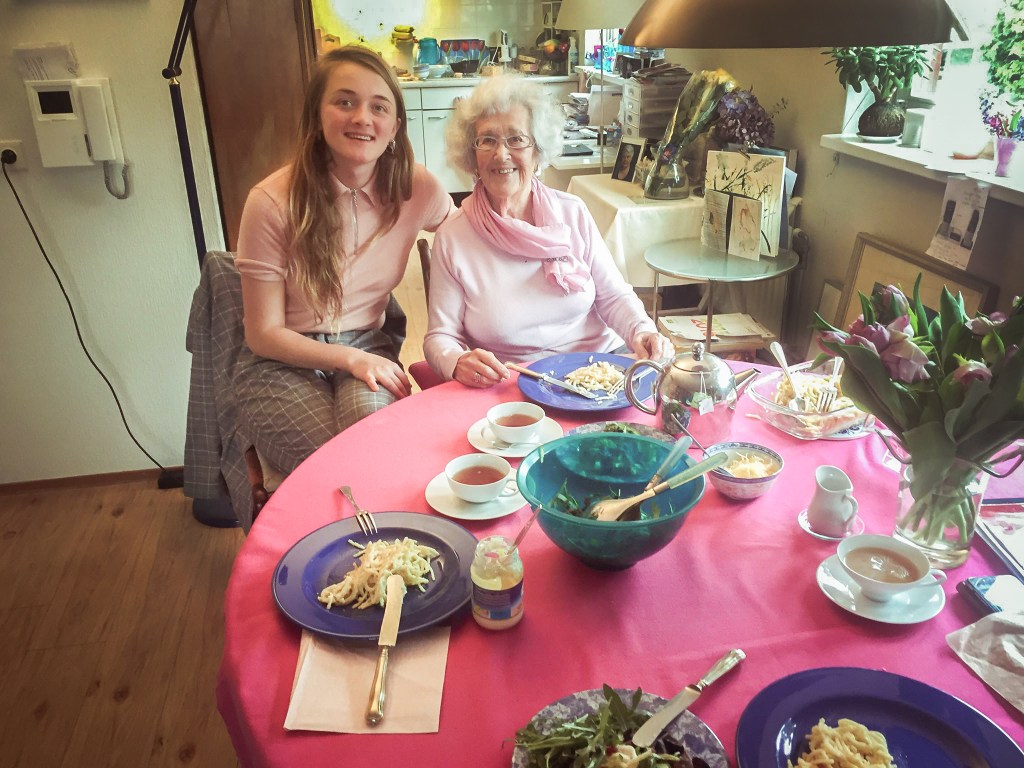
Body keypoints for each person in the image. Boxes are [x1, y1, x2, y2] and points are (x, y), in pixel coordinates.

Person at [233, 45, 455, 473]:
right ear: (317, 116)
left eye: (379, 106)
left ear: (395, 126)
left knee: (378, 451)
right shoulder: (271, 201)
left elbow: (470, 239)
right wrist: (348, 359)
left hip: (367, 343)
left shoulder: (417, 187)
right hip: (281, 361)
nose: (362, 118)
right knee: (337, 467)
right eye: (345, 102)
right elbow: (263, 334)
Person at [423, 75, 673, 388]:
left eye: (516, 139)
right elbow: (440, 336)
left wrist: (641, 330)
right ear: (472, 156)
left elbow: (613, 296)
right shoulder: (454, 236)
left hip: (599, 369)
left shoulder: (572, 212)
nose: (501, 154)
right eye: (487, 140)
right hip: (514, 381)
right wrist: (457, 361)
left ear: (538, 151)